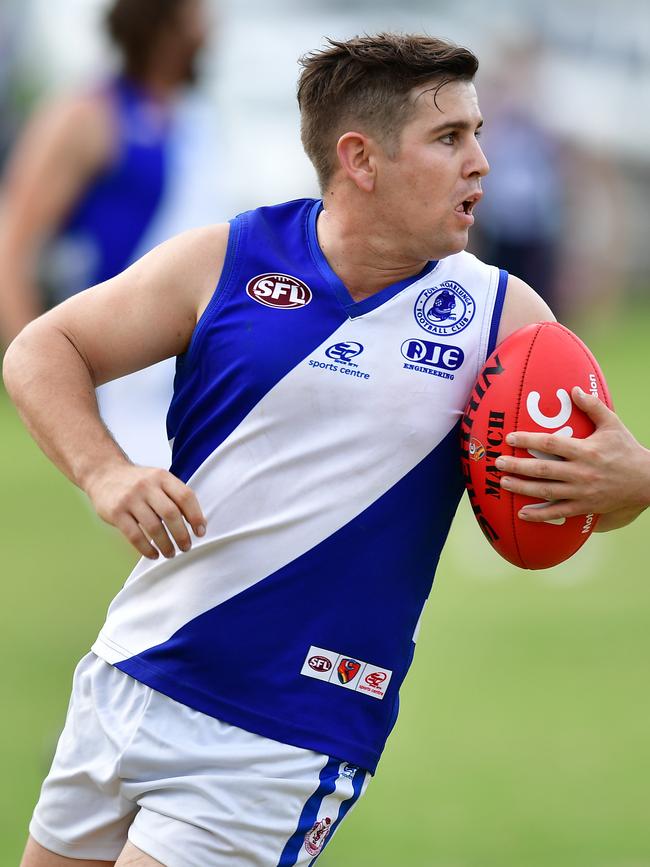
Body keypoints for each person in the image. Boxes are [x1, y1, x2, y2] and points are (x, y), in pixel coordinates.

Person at [4, 33, 649, 867]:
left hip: (279, 732)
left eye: (478, 132)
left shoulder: (504, 318)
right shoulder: (229, 259)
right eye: (449, 138)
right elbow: (42, 349)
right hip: (129, 672)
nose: (482, 161)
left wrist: (634, 479)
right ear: (360, 159)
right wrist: (104, 470)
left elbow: (590, 491)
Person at [0, 0, 217, 468]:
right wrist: (40, 372)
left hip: (196, 357)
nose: (210, 30)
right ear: (163, 27)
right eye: (197, 16)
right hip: (122, 368)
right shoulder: (89, 115)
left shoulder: (197, 120)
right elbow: (12, 243)